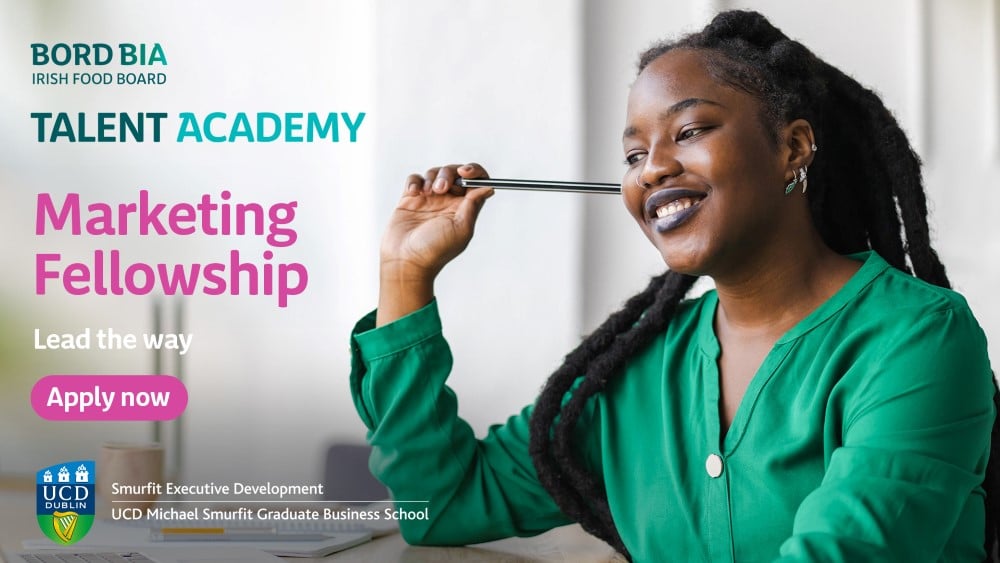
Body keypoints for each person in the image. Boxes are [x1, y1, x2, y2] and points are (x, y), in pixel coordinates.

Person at [348, 10, 997, 562]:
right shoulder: (632, 369)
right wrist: (406, 275)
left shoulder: (917, 340)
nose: (653, 167)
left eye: (689, 131)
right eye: (634, 155)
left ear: (793, 149)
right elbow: (439, 503)